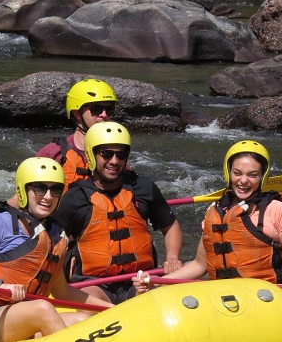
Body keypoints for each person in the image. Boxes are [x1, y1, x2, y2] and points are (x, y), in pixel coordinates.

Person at [0, 157, 112, 342]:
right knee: (42, 308)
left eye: (55, 190)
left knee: (81, 319)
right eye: (40, 188)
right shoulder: (0, 223)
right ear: (23, 191)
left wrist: (110, 309)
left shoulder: (55, 236)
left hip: (18, 318)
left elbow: (62, 292)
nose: (48, 197)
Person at [134, 140, 282, 296]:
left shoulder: (277, 210)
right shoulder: (214, 212)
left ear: (263, 176)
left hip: (266, 296)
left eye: (252, 175)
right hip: (224, 297)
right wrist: (158, 282)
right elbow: (200, 265)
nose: (244, 181)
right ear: (228, 172)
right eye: (237, 173)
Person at [52, 121, 183, 304]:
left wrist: (172, 257)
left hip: (139, 280)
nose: (114, 161)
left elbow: (170, 226)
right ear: (91, 154)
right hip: (94, 285)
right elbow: (49, 239)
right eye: (106, 154)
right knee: (91, 297)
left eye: (121, 155)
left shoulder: (143, 187)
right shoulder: (74, 198)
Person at [36, 79, 116, 189]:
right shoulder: (53, 153)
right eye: (96, 109)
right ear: (77, 113)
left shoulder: (116, 155)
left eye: (109, 109)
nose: (104, 114)